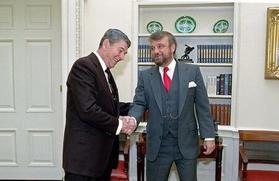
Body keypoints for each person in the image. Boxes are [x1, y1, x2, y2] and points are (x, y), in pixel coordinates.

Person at [128, 31, 215, 181]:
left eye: (160, 46)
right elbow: (139, 103)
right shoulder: (145, 76)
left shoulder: (192, 72)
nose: (156, 51)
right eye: (152, 48)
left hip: (186, 143)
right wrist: (133, 120)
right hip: (158, 146)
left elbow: (202, 106)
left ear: (173, 47)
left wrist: (208, 136)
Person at [63, 29, 136, 181]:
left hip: (101, 160)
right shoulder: (83, 66)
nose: (122, 57)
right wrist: (120, 125)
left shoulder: (106, 72)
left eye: (124, 53)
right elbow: (88, 110)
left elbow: (109, 106)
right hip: (84, 161)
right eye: (120, 50)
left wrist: (140, 105)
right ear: (106, 44)